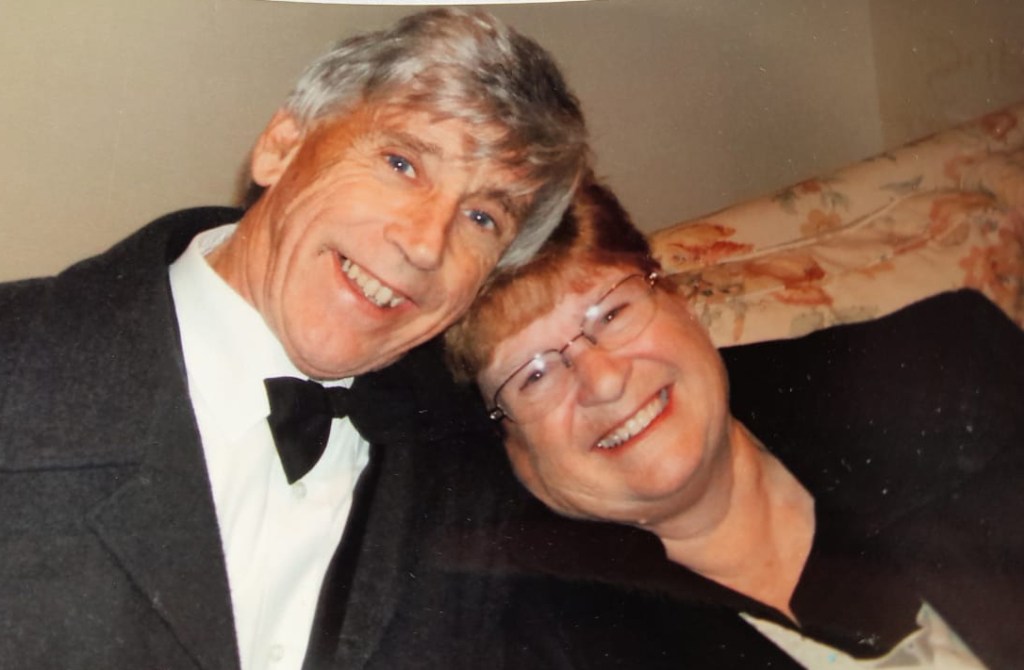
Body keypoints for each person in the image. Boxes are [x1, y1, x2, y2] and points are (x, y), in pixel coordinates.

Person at [0, 9, 588, 669]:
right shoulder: (18, 361)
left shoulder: (471, 478)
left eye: (481, 217)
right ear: (281, 146)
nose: (426, 245)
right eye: (401, 162)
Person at [446, 174, 1024, 668]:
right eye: (534, 375)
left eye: (612, 311)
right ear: (508, 447)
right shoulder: (531, 642)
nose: (603, 381)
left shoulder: (942, 373)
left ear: (677, 297)